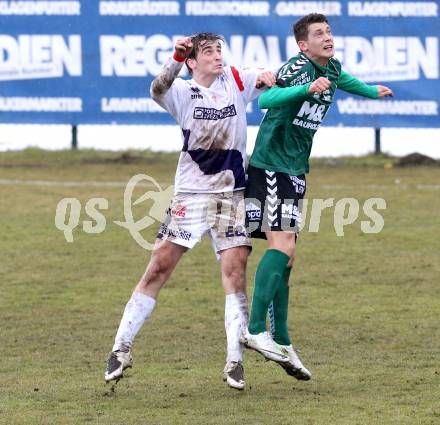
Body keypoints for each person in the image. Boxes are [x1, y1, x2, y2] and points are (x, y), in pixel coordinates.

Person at [104, 32, 275, 390]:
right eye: (208, 52)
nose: (216, 56)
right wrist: (175, 58)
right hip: (191, 196)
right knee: (158, 267)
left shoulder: (236, 80)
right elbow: (157, 88)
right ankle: (120, 348)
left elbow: (262, 74)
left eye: (219, 50)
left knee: (235, 272)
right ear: (193, 62)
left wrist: (267, 76)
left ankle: (234, 360)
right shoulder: (181, 91)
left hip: (232, 196)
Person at [242, 13, 394, 380]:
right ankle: (255, 329)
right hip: (271, 164)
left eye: (328, 31)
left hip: (294, 168)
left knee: (289, 258)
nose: (328, 37)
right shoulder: (297, 69)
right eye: (319, 33)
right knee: (282, 247)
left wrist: (372, 91)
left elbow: (344, 79)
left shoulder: (332, 67)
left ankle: (282, 338)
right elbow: (267, 100)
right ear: (302, 44)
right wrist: (304, 90)